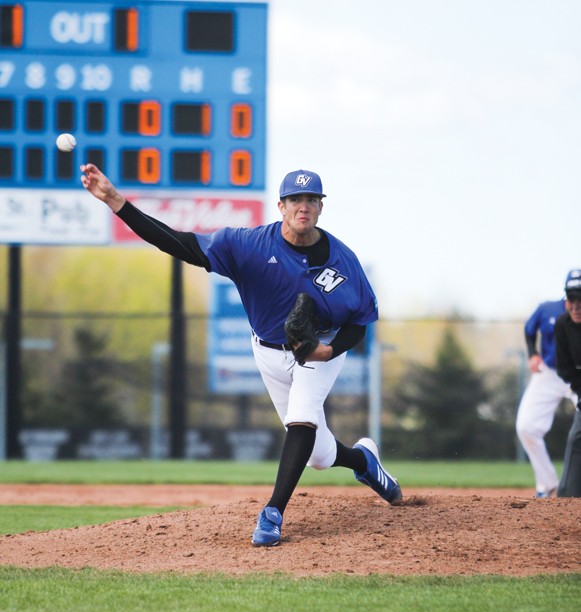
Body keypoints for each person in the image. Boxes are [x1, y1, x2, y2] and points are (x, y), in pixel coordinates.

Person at [80, 164, 403, 546]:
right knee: (317, 454)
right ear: (281, 206)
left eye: (312, 199)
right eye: (295, 199)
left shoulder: (342, 260)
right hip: (266, 351)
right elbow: (179, 242)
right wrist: (117, 202)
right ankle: (365, 462)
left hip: (318, 354)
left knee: (301, 418)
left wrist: (328, 349)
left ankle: (273, 513)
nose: (304, 206)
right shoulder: (247, 246)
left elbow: (361, 321)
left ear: (320, 207)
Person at [515, 275, 576, 498]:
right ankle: (547, 483)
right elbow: (529, 328)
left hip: (577, 375)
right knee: (526, 426)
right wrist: (532, 354)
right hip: (550, 373)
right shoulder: (548, 309)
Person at [555, 269, 581, 498]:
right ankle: (566, 502)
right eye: (572, 298)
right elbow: (564, 367)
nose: (576, 305)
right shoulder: (562, 325)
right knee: (576, 438)